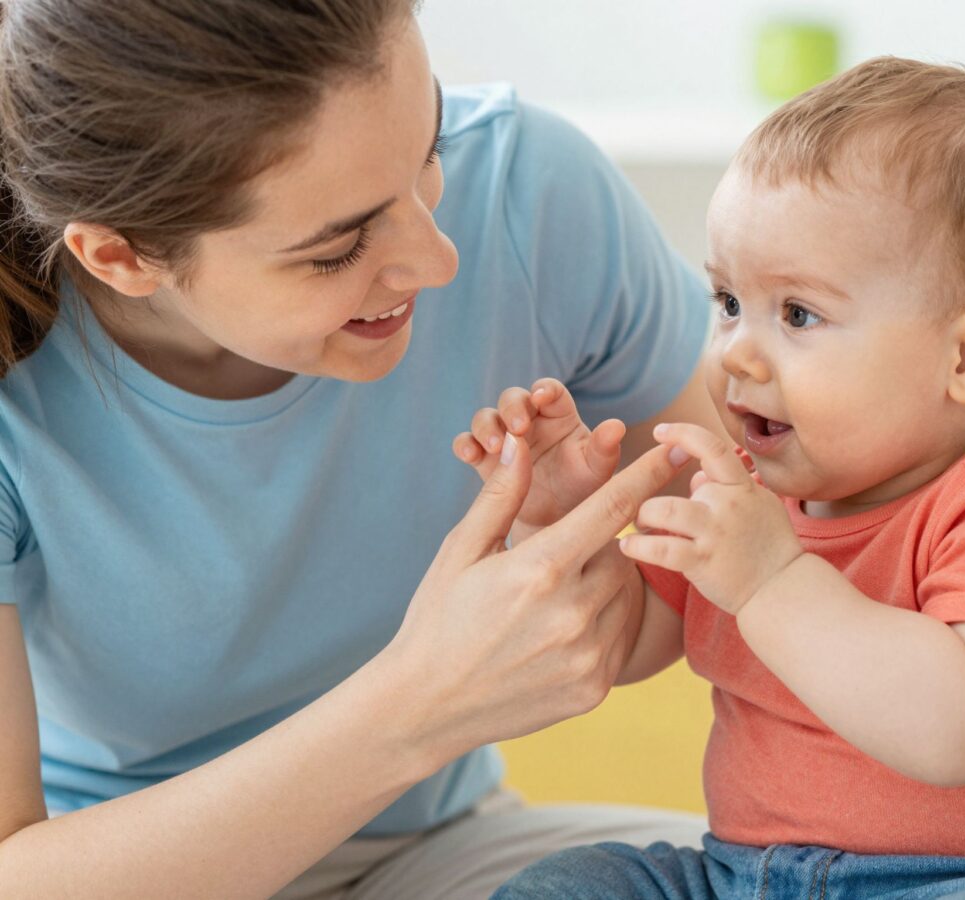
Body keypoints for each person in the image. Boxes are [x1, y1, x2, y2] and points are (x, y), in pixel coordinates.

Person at [0, 1, 724, 896]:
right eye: (338, 248)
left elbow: (747, 560)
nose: (439, 259)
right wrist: (420, 706)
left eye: (430, 154)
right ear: (121, 256)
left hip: (439, 851)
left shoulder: (532, 191)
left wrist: (582, 570)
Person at [470, 58, 965, 899]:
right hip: (748, 877)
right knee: (572, 884)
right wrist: (559, 522)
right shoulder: (743, 494)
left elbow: (959, 732)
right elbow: (622, 647)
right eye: (728, 301)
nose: (734, 350)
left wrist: (773, 580)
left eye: (797, 314)